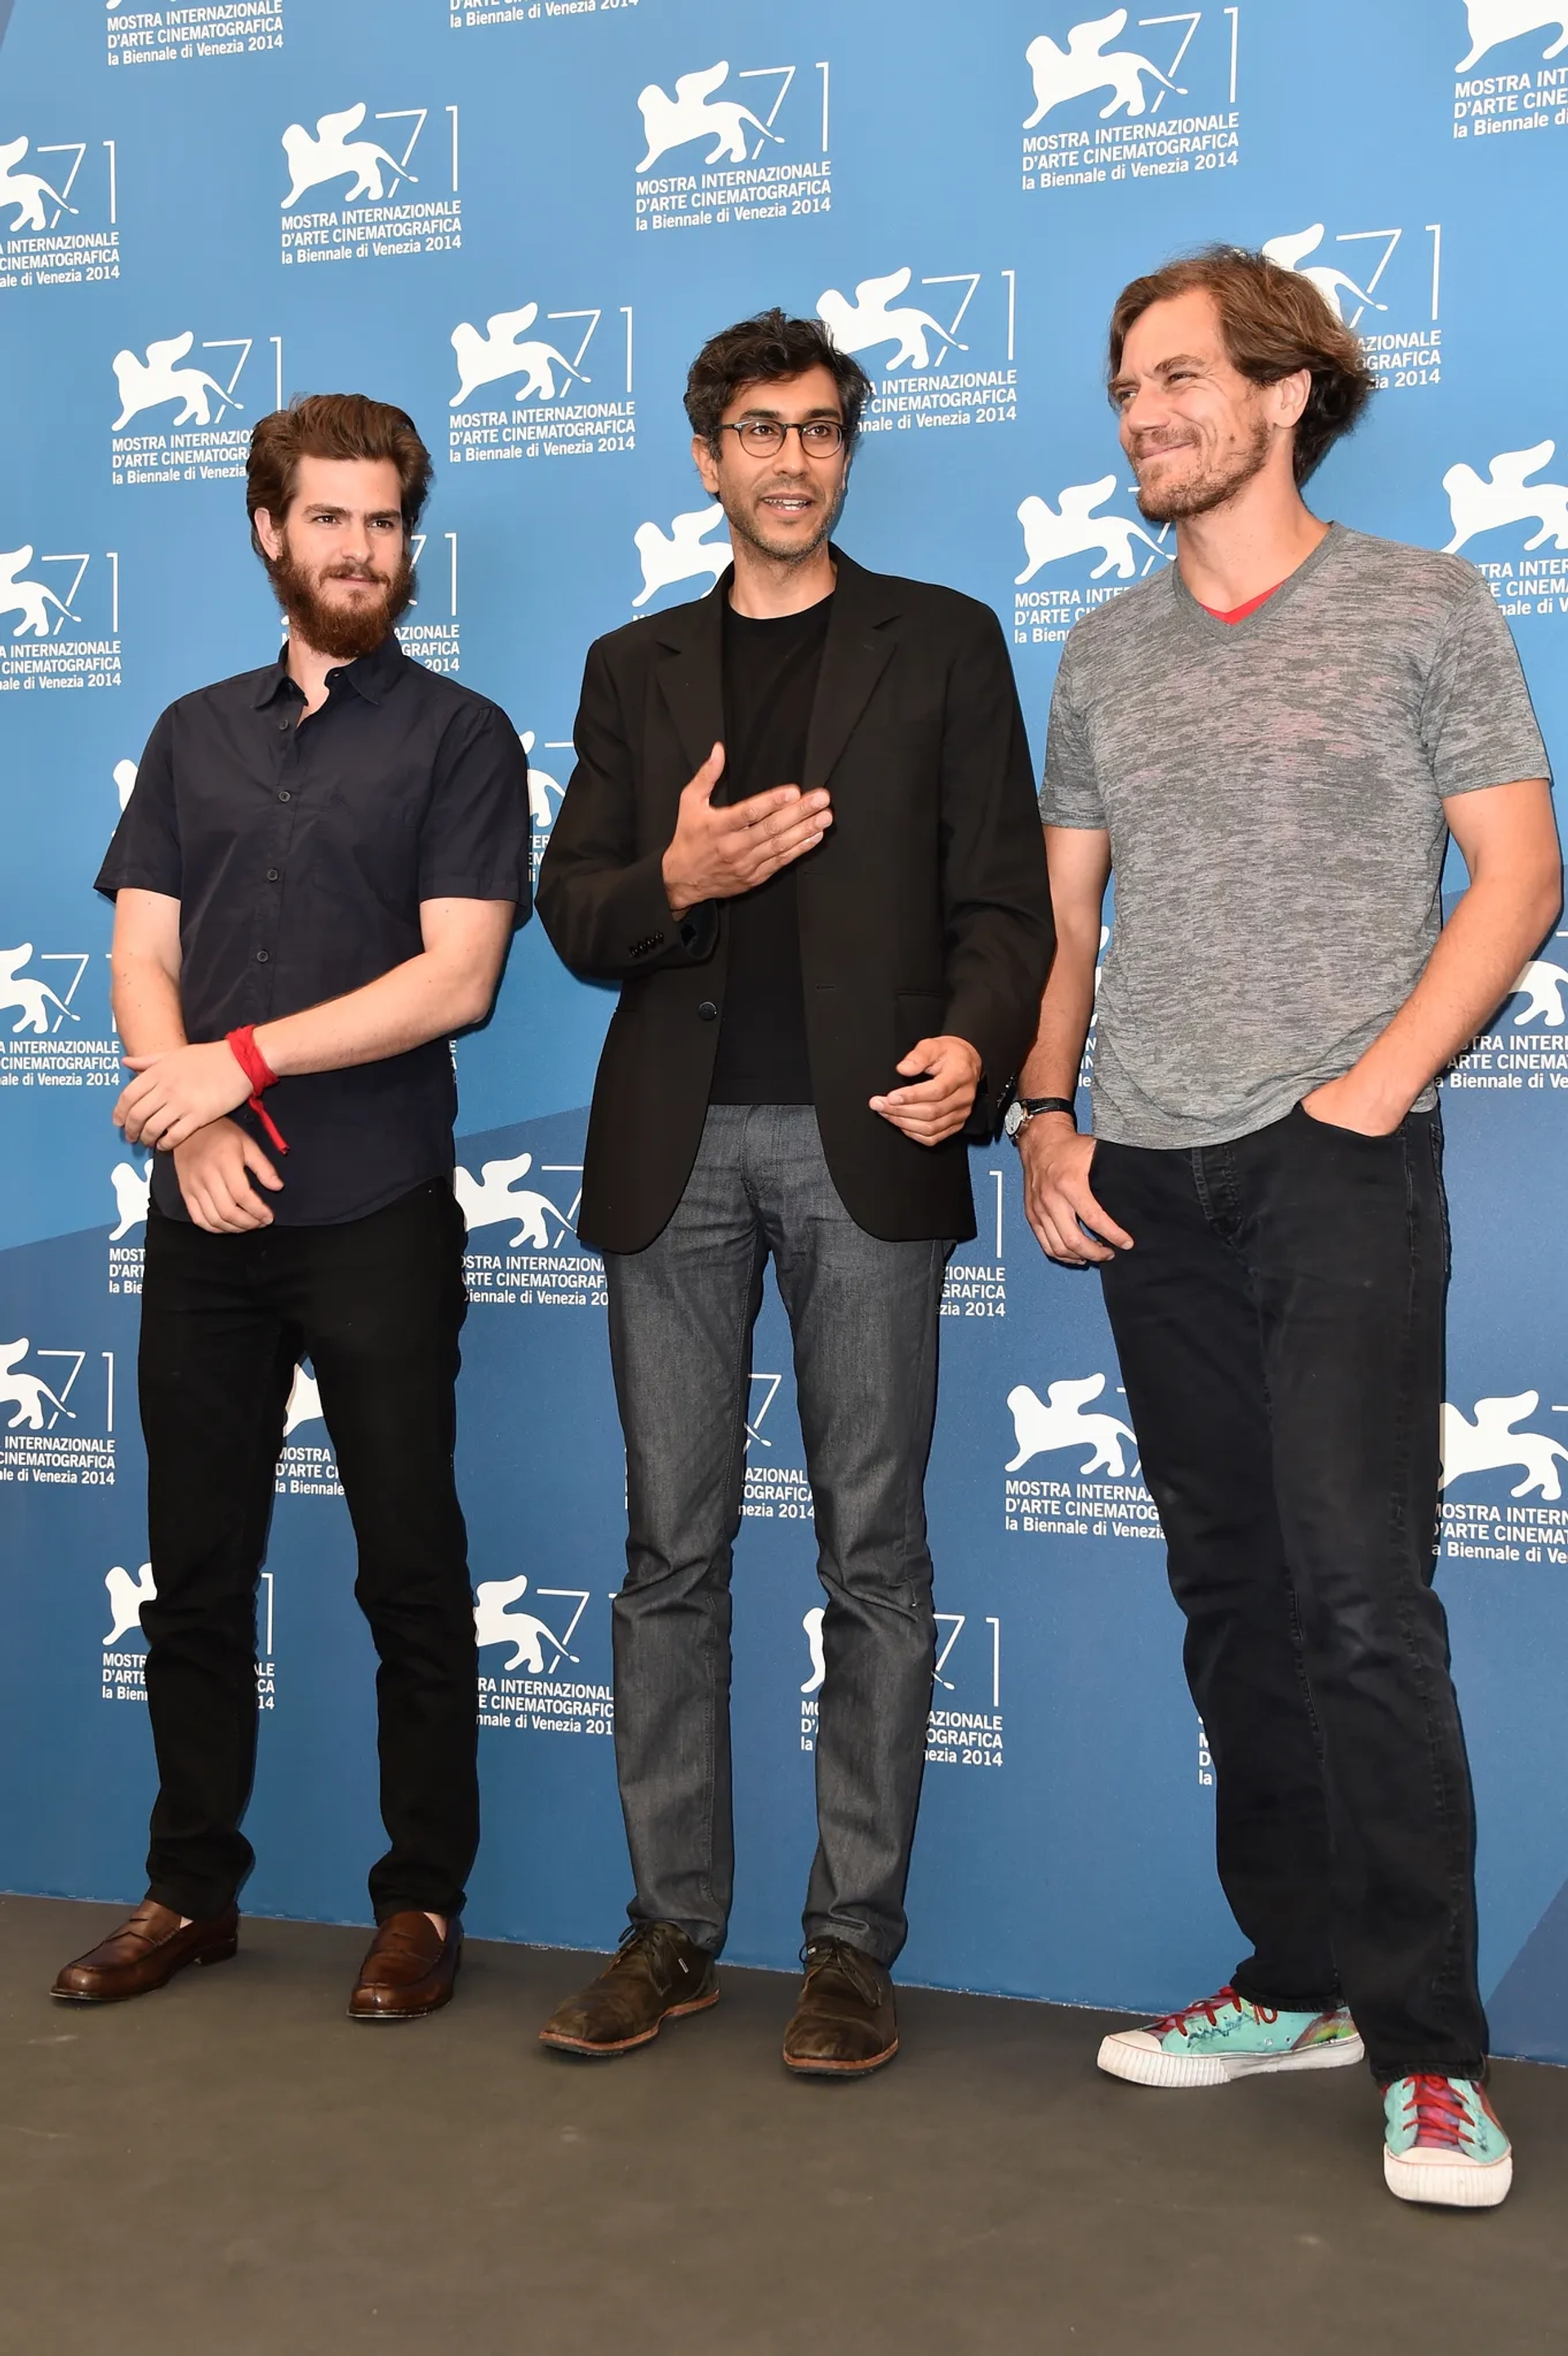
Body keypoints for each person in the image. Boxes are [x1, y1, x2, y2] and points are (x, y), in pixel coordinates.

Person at [1015, 247, 1558, 2206]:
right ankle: (1299, 1974)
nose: (1144, 415)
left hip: (1335, 1162)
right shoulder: (1101, 651)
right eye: (1124, 387)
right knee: (1234, 1593)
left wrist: (1376, 1084)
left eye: (1176, 379)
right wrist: (1047, 1112)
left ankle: (1430, 2050)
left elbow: (1517, 868)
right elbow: (1070, 926)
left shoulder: (1424, 601)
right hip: (1146, 1175)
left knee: (1359, 1596)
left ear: (1284, 392)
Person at [536, 310, 1054, 2074]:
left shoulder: (945, 642)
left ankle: (850, 1946)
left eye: (821, 427)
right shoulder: (633, 667)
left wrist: (979, 1048)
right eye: (757, 428)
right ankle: (672, 1927)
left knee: (876, 1558)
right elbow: (577, 913)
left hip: (868, 1149)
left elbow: (1007, 906)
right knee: (667, 1556)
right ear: (705, 454)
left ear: (849, 450)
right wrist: (675, 871)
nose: (790, 457)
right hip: (669, 1153)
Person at [53, 394, 532, 2021]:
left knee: (409, 1564)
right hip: (209, 1212)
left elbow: (456, 979)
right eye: (329, 519)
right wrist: (184, 1114)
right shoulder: (193, 731)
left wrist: (232, 1062)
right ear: (272, 532)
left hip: (378, 1204)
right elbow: (138, 951)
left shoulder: (464, 736)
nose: (358, 549)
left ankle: (422, 1903)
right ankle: (190, 1888)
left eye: (383, 522)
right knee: (191, 1569)